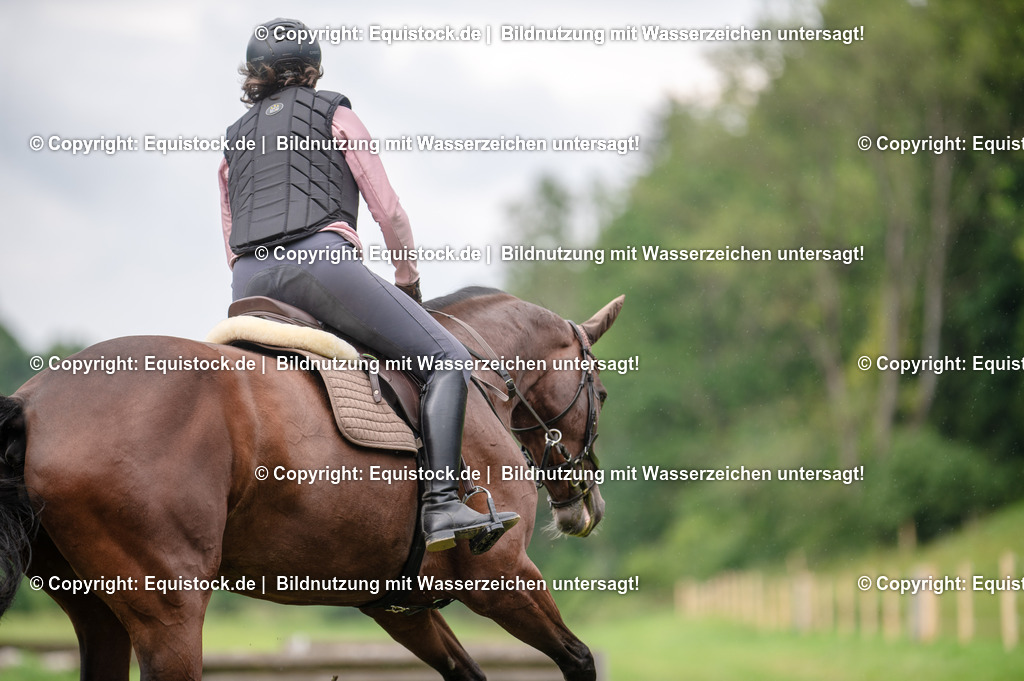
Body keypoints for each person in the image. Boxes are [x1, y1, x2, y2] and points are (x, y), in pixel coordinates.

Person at [219, 18, 518, 553]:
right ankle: (444, 502)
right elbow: (388, 211)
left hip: (248, 282)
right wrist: (408, 278)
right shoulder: (335, 112)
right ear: (312, 70)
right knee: (447, 360)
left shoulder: (232, 143)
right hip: (320, 265)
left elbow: (229, 232)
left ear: (254, 75)